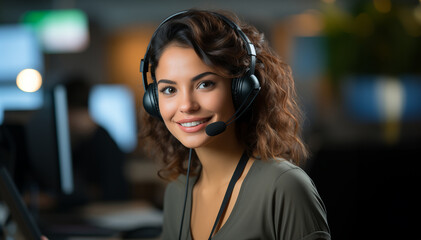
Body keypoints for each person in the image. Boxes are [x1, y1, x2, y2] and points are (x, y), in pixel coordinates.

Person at [139, 9, 330, 240]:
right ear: (153, 101)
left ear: (241, 90)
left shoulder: (284, 187)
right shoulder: (177, 193)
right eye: (169, 90)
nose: (186, 105)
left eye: (204, 84)